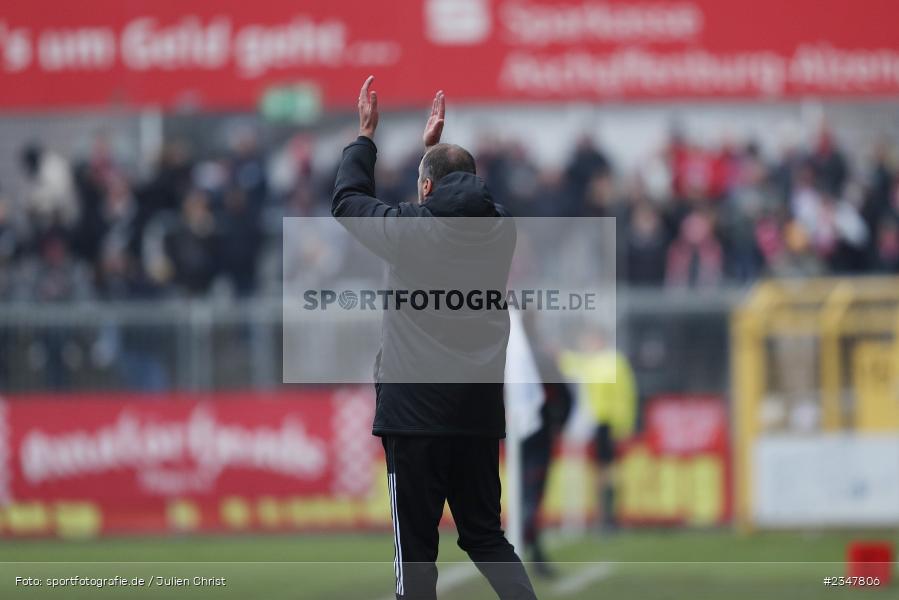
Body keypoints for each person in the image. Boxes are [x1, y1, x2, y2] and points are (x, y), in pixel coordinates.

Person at [332, 76, 537, 600]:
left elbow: (348, 201)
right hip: (476, 413)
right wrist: (435, 159)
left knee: (416, 553)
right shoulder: (502, 229)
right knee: (486, 537)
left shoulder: (410, 233)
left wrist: (365, 137)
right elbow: (452, 207)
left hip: (414, 415)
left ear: (424, 188)